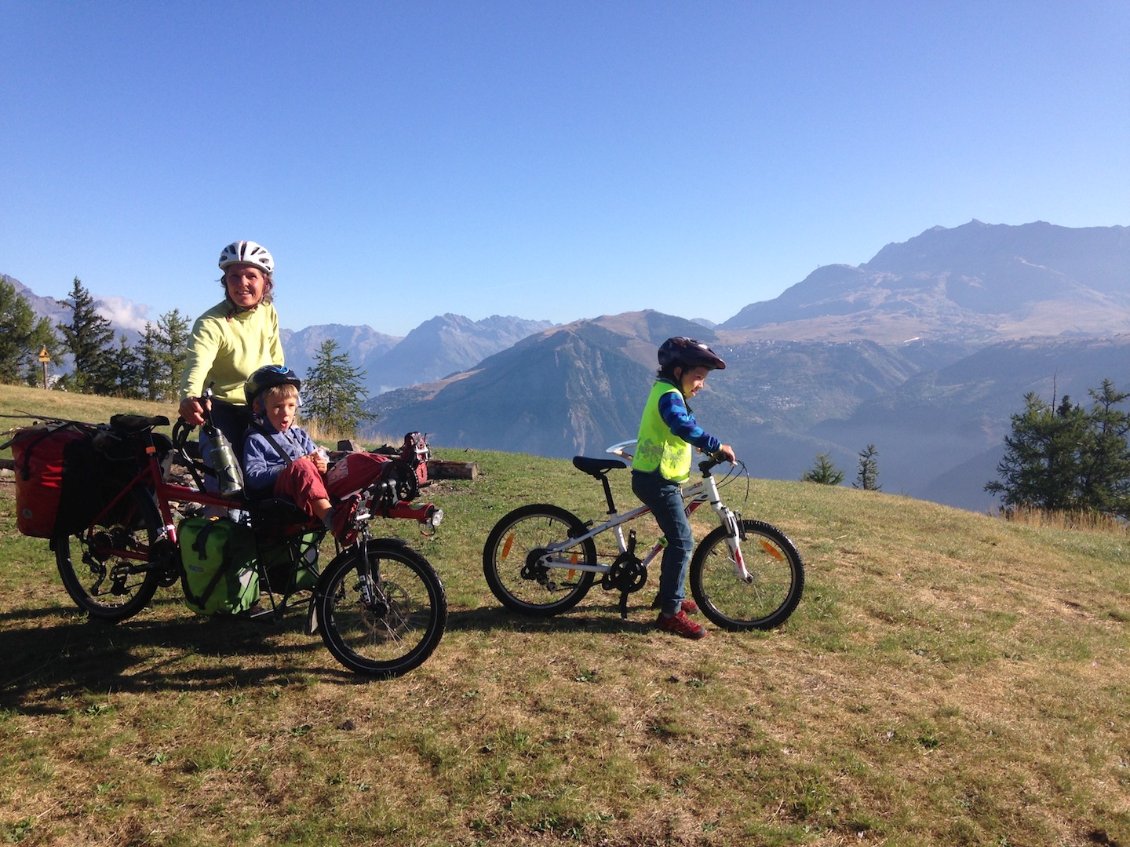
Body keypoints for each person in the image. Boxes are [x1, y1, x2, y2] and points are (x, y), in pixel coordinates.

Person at [631, 337, 736, 640]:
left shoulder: (671, 391)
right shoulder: (669, 396)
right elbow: (680, 426)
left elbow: (678, 432)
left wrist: (706, 451)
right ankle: (669, 614)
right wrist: (716, 445)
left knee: (675, 537)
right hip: (656, 479)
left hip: (661, 476)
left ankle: (668, 596)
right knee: (682, 541)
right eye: (699, 377)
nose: (701, 384)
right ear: (679, 371)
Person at [179, 240, 285, 470]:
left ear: (265, 282)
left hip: (261, 407)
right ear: (225, 282)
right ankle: (217, 507)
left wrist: (283, 398)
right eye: (234, 277)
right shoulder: (211, 323)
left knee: (273, 479)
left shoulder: (268, 311)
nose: (242, 284)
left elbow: (276, 360)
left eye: (251, 276)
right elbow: (197, 365)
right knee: (226, 483)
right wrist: (190, 396)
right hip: (222, 410)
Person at [240, 365, 351, 540]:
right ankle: (333, 520)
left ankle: (359, 506)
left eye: (291, 406)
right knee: (301, 467)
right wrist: (291, 467)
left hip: (309, 490)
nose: (286, 413)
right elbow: (254, 478)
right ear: (259, 408)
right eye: (278, 407)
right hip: (281, 498)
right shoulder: (256, 440)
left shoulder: (298, 434)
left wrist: (322, 463)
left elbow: (317, 455)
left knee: (351, 461)